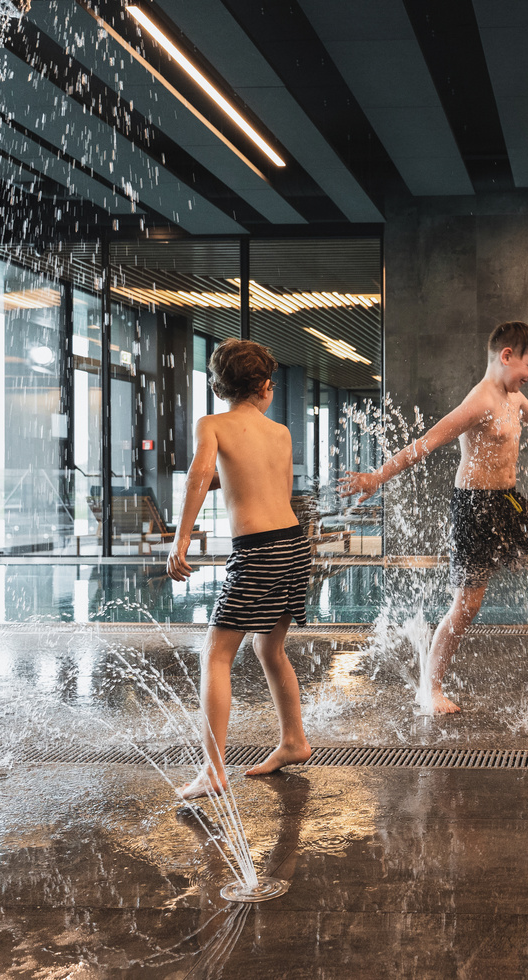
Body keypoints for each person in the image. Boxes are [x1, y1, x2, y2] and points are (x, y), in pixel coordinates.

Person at [338, 321, 528, 714]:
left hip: (509, 501)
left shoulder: (513, 398)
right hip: (474, 507)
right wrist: (377, 476)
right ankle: (429, 689)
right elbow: (428, 441)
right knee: (467, 605)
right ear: (506, 356)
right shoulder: (482, 400)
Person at [167, 339, 314, 800]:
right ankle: (294, 740)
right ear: (266, 388)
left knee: (216, 653)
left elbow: (198, 475)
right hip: (295, 545)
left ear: (217, 387)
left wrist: (182, 535)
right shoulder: (281, 433)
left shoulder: (212, 424)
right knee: (270, 650)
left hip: (257, 549)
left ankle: (212, 770)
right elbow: (266, 484)